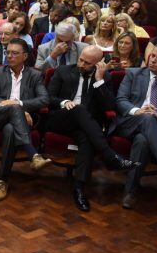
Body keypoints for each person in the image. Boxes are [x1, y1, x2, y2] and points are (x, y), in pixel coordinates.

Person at [46, 45, 139, 211]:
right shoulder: (63, 71)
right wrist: (65, 102)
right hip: (61, 119)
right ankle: (110, 156)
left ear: (98, 64)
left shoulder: (104, 78)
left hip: (86, 127)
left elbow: (109, 107)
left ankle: (79, 188)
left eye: (87, 63)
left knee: (88, 140)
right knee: (79, 108)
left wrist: (99, 80)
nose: (82, 64)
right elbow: (48, 98)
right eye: (81, 59)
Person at [110, 41, 157, 209]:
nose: (153, 60)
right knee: (147, 118)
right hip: (130, 123)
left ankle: (130, 191)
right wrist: (138, 111)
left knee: (142, 141)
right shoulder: (133, 74)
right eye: (152, 56)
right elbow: (120, 101)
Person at [0, 39, 51, 202]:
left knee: (10, 130)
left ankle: (2, 181)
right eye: (7, 52)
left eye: (14, 53)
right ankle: (33, 154)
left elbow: (44, 99)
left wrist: (19, 106)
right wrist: (19, 109)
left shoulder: (35, 75)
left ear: (25, 56)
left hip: (21, 122)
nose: (9, 56)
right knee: (14, 109)